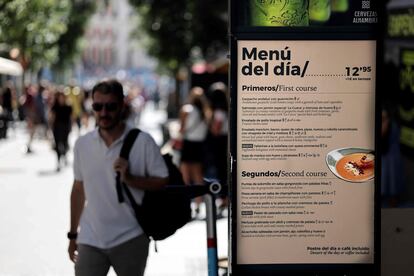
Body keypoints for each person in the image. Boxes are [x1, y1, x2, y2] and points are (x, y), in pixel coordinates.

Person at [68, 79, 168, 276]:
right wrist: (72, 235)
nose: (104, 113)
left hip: (131, 237)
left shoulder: (143, 141)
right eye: (98, 106)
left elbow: (162, 181)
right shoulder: (83, 144)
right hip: (90, 238)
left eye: (110, 106)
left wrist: (131, 179)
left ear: (122, 106)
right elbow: (78, 190)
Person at [178, 87, 210, 217]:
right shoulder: (206, 113)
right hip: (200, 145)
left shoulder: (187, 110)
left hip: (188, 144)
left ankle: (186, 204)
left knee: (185, 175)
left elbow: (181, 129)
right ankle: (198, 203)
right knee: (198, 175)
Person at [207, 82, 229, 216]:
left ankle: (224, 198)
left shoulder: (218, 111)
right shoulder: (228, 108)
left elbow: (216, 130)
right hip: (225, 141)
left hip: (220, 142)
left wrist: (209, 125)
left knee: (221, 171)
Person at [50, 90, 73, 171]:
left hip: (65, 127)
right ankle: (58, 160)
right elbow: (52, 117)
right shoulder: (55, 106)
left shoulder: (68, 106)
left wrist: (71, 127)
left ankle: (65, 155)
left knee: (65, 143)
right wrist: (50, 128)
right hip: (57, 128)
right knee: (57, 144)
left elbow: (71, 118)